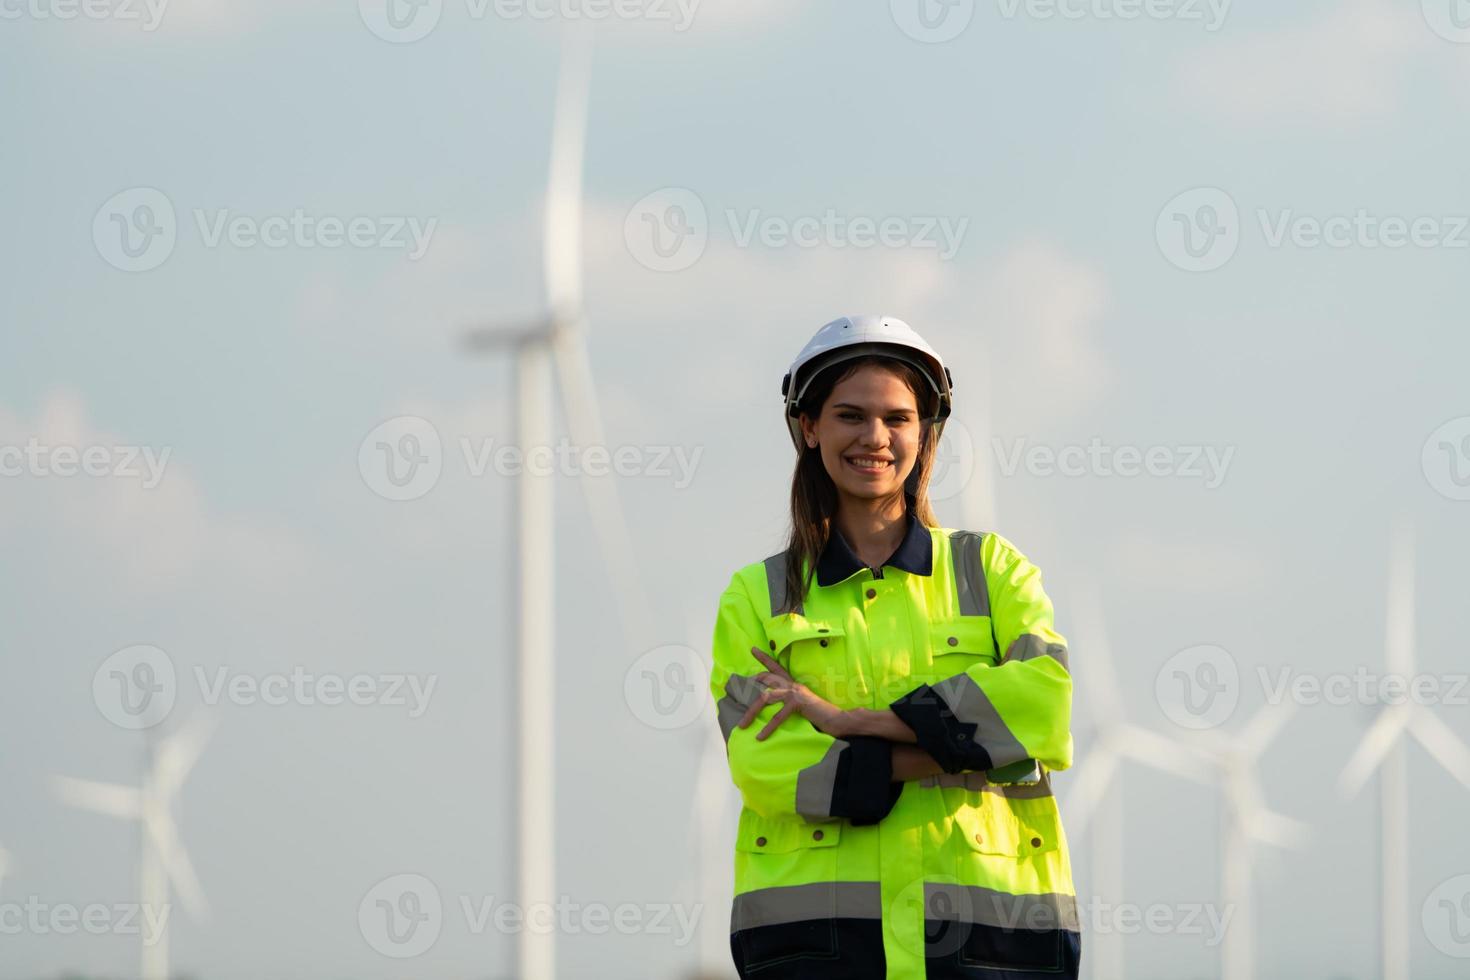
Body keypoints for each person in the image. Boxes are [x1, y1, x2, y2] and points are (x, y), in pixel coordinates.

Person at [707, 315, 1081, 979]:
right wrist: (965, 748)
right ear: (810, 427)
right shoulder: (755, 597)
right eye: (850, 415)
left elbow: (1044, 706)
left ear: (924, 432)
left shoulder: (993, 571)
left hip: (993, 940)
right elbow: (768, 763)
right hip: (819, 945)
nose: (875, 438)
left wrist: (856, 724)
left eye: (898, 418)